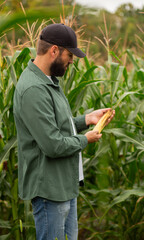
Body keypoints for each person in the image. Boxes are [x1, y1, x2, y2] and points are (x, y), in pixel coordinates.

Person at [13, 23, 115, 240]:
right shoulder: (34, 89)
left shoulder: (48, 82)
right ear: (54, 51)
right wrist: (85, 140)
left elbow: (58, 126)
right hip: (50, 191)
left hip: (64, 185)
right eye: (70, 55)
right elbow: (52, 144)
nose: (71, 61)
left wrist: (87, 119)